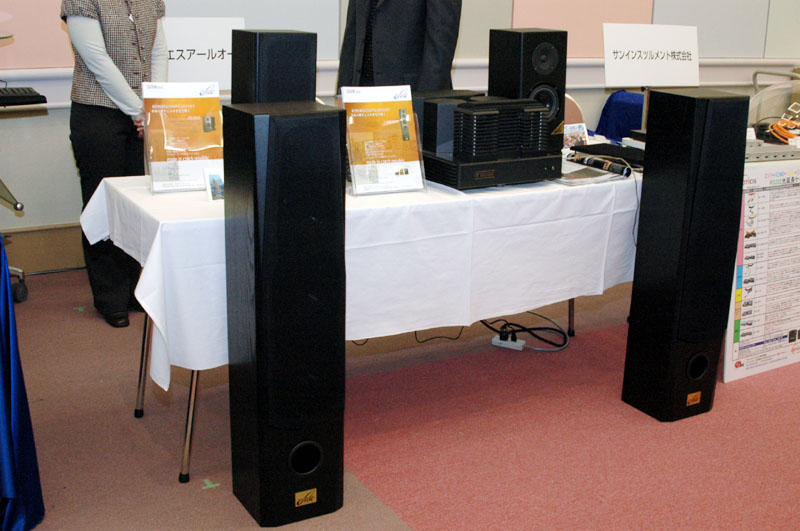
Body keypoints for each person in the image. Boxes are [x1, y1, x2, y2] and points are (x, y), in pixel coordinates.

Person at [60, 0, 168, 327]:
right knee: (103, 204)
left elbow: (158, 51)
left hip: (140, 116)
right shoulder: (82, 1)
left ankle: (135, 290)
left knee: (134, 206)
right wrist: (139, 110)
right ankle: (110, 297)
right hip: (98, 115)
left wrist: (154, 104)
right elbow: (96, 60)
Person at [337, 0, 462, 92]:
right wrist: (342, 94)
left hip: (411, 94)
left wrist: (424, 103)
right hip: (360, 93)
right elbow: (352, 34)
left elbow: (441, 45)